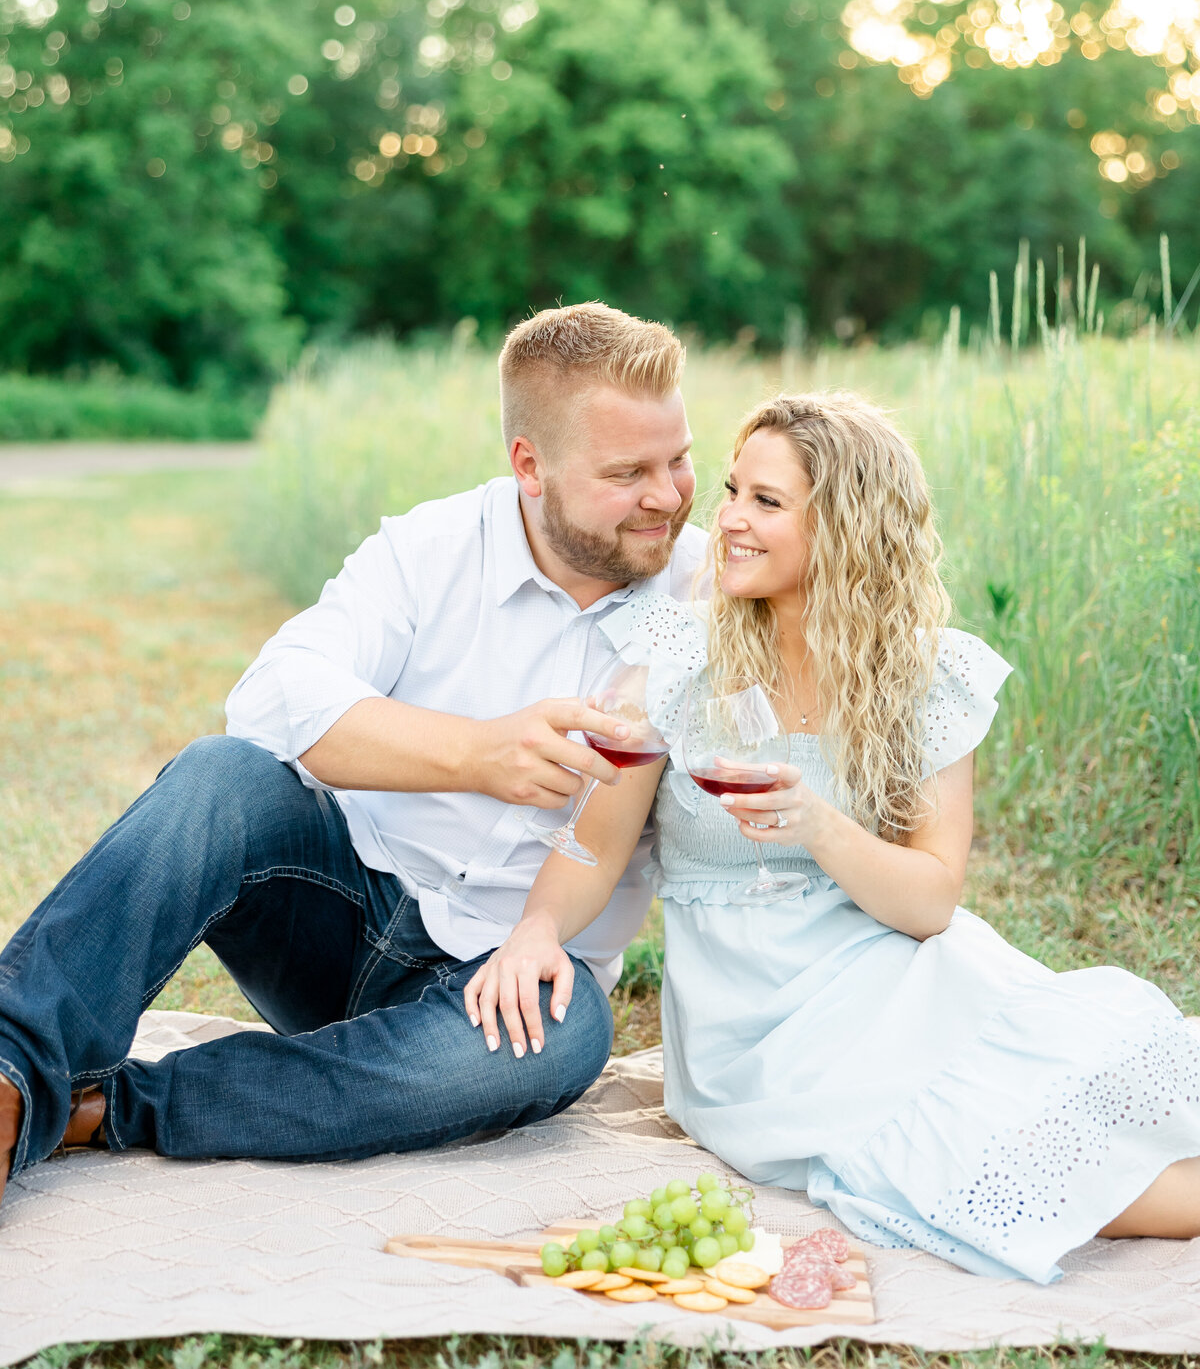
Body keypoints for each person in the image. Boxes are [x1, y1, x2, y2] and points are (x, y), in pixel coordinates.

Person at [466, 389, 1200, 1286]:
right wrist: (537, 930)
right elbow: (593, 844)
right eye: (733, 490)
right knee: (1010, 1164)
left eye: (765, 502)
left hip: (899, 966)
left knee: (1099, 1075)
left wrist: (818, 825)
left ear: (847, 526)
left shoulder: (926, 675)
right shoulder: (675, 656)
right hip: (761, 1032)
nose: (726, 520)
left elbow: (931, 904)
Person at [0, 302, 704, 1203]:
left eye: (679, 459)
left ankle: (116, 1108)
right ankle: (13, 1078)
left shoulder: (705, 603)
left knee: (572, 1039)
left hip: (500, 991)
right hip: (338, 911)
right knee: (223, 777)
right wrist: (474, 754)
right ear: (529, 466)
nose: (668, 495)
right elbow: (272, 695)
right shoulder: (430, 550)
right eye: (628, 472)